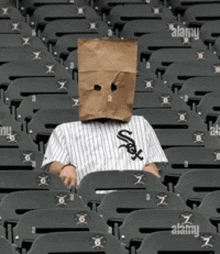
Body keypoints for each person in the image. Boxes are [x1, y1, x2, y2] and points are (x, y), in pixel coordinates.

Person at [41, 38, 168, 187]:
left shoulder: (140, 124)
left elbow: (152, 164)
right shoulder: (65, 130)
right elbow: (52, 165)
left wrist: (150, 169)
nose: (107, 95)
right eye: (97, 88)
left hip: (134, 196)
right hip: (87, 200)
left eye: (114, 88)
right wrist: (65, 167)